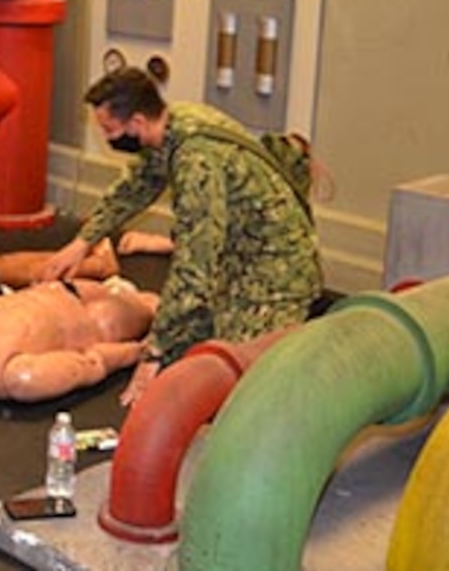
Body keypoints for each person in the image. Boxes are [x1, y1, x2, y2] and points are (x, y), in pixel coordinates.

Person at [35, 67, 321, 406]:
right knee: (190, 342)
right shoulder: (174, 124)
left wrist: (155, 350)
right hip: (238, 250)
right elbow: (132, 189)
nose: (107, 138)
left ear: (137, 123)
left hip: (277, 266)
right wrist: (81, 243)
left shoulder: (195, 161)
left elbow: (193, 270)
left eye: (110, 130)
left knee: (237, 375)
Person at [0, 276, 160, 401]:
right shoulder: (10, 374)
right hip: (91, 324)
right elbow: (89, 363)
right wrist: (136, 352)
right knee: (137, 309)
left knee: (125, 301)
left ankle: (125, 291)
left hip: (59, 289)